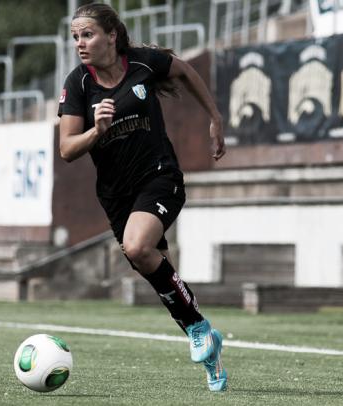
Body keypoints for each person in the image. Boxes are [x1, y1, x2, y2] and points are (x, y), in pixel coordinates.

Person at [58, 3, 227, 392]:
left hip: (160, 177)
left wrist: (215, 118)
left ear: (111, 36)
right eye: (75, 37)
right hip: (116, 195)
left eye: (88, 35)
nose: (80, 44)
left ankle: (198, 330)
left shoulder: (143, 63)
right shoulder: (78, 85)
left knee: (137, 247)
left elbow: (183, 69)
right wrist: (97, 131)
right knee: (146, 259)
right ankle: (201, 333)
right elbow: (67, 149)